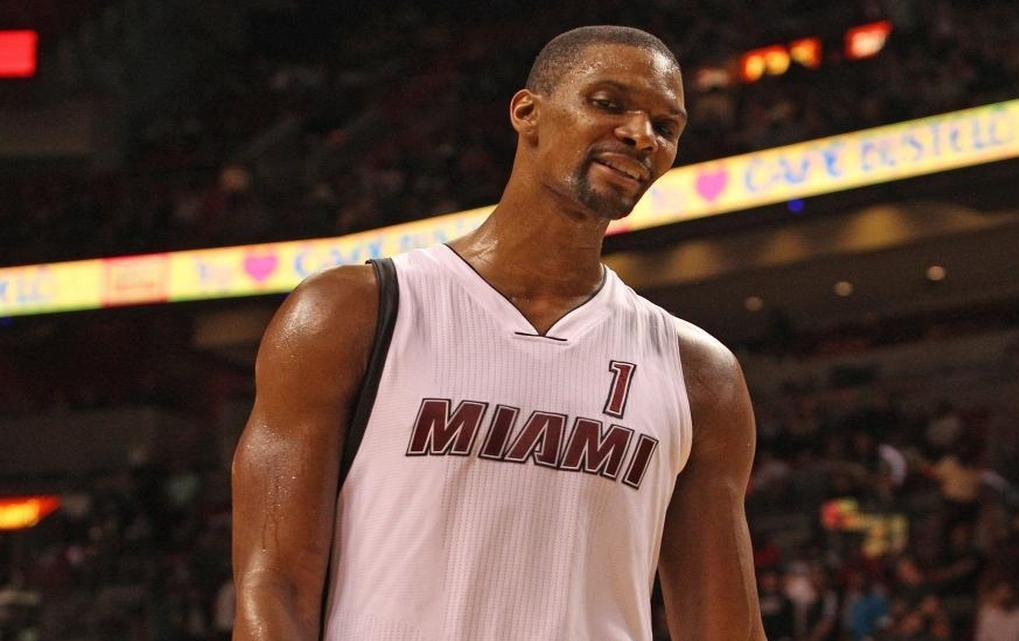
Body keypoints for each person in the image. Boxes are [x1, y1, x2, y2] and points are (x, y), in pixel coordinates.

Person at [231, 25, 765, 641]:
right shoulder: (353, 311)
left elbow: (725, 627)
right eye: (609, 103)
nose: (641, 135)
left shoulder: (699, 373)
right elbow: (274, 587)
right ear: (527, 112)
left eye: (666, 127)